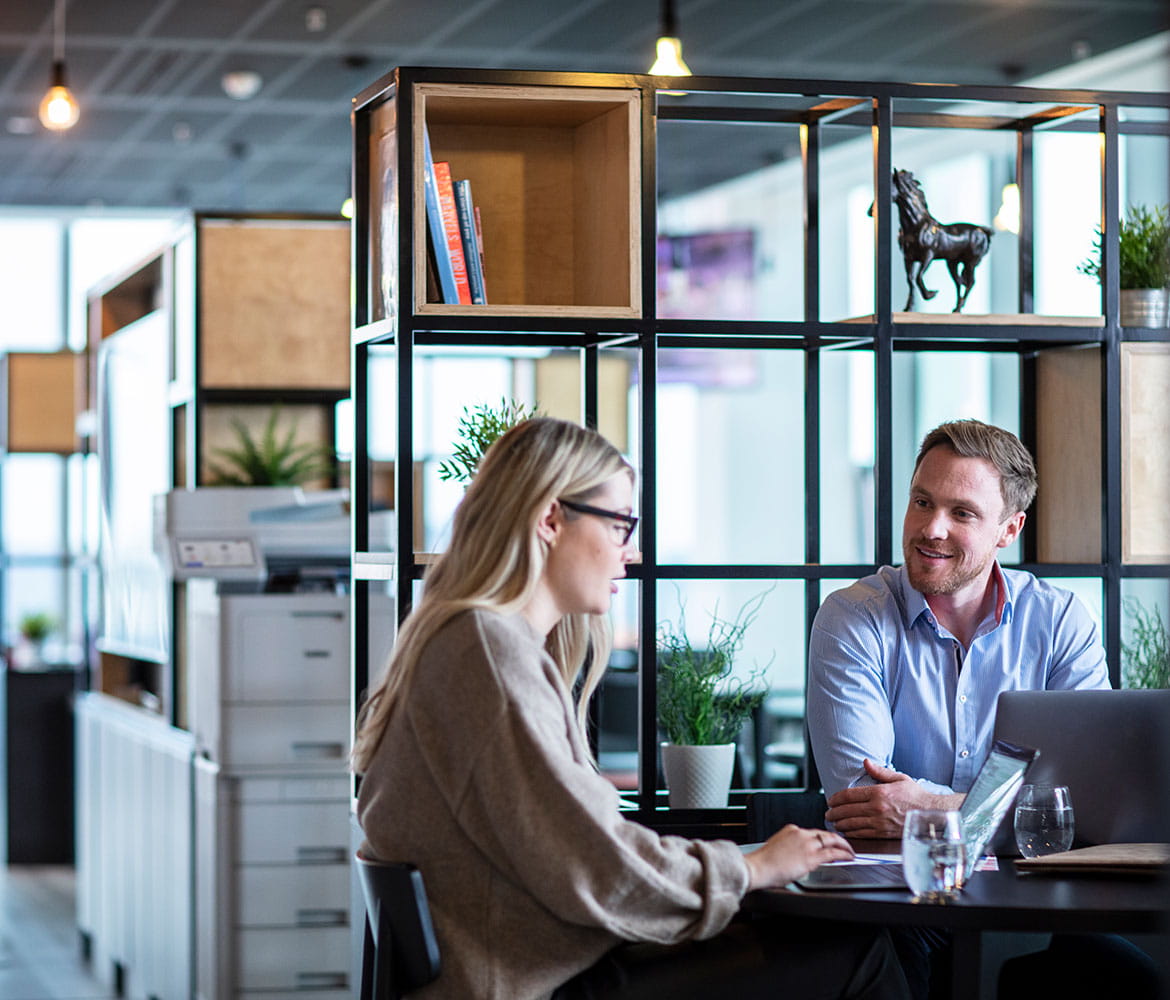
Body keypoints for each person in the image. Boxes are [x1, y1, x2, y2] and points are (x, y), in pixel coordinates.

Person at [353, 417, 909, 1000]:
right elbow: (596, 866)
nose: (632, 550)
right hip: (539, 983)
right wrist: (751, 869)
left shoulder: (469, 642)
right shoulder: (489, 655)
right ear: (549, 519)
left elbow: (580, 849)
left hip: (533, 963)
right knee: (855, 950)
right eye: (619, 524)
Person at [807, 418, 1109, 840]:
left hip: (1032, 887)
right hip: (893, 889)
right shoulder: (852, 618)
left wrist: (930, 808)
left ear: (1009, 530)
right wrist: (1019, 811)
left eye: (962, 513)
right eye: (922, 502)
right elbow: (861, 800)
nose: (931, 529)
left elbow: (1090, 796)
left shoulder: (1060, 621)